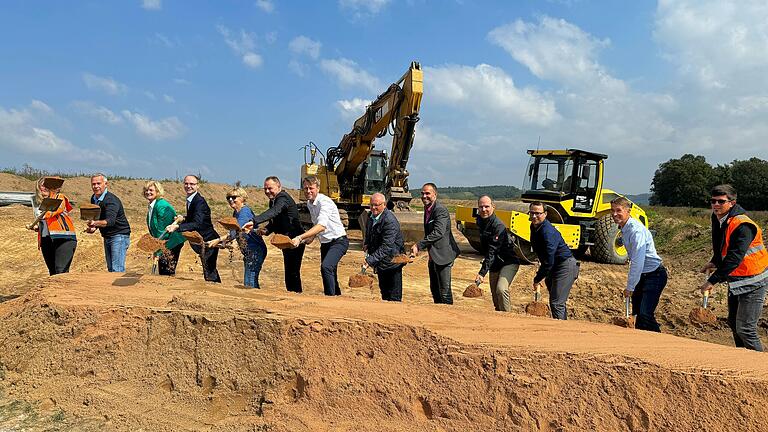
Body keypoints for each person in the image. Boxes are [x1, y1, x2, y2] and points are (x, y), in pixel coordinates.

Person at [700, 184, 768, 351]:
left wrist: (712, 281)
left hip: (754, 280)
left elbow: (734, 258)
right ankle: (742, 361)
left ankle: (760, 368)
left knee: (746, 329)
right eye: (713, 201)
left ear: (732, 202)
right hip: (737, 279)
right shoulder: (718, 218)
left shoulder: (743, 225)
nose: (716, 205)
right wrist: (715, 261)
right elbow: (720, 245)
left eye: (721, 201)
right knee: (733, 323)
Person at [610, 196, 667, 332]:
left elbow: (637, 261)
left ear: (628, 211)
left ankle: (661, 342)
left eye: (618, 210)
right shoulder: (624, 228)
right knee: (638, 315)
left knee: (645, 314)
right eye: (612, 211)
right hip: (643, 275)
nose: (614, 214)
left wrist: (630, 287)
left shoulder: (636, 231)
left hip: (654, 274)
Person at [242, 176, 305, 293]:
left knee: (293, 271)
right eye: (265, 189)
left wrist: (254, 221)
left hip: (295, 239)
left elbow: (275, 211)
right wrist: (266, 230)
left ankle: (297, 296)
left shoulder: (283, 198)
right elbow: (275, 221)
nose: (267, 191)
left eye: (270, 188)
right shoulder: (273, 200)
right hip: (285, 240)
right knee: (289, 271)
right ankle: (293, 295)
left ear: (279, 186)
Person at [291, 176, 348, 296]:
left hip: (339, 241)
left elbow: (322, 225)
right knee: (330, 272)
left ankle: (329, 299)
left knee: (326, 267)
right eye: (305, 188)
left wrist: (300, 237)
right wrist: (311, 237)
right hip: (326, 243)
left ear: (317, 188)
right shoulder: (310, 203)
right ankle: (337, 297)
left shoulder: (324, 202)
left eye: (311, 188)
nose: (308, 191)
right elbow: (316, 223)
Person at [410, 183, 461, 304]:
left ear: (435, 194)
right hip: (434, 256)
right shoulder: (428, 209)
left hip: (443, 255)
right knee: (435, 289)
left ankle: (449, 317)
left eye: (427, 193)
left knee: (445, 291)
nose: (424, 196)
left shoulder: (440, 210)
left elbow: (438, 232)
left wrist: (419, 245)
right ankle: (439, 315)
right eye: (422, 193)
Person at [528, 201, 578, 320]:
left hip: (565, 265)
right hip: (554, 266)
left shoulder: (547, 232)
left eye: (538, 213)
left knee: (557, 303)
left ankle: (561, 333)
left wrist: (538, 278)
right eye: (532, 213)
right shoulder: (534, 227)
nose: (534, 216)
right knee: (556, 301)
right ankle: (561, 325)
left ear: (545, 214)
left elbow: (549, 260)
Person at [166, 175, 221, 283]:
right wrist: (183, 219)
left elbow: (198, 223)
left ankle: (216, 293)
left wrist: (177, 227)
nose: (188, 186)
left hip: (209, 240)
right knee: (208, 269)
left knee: (209, 270)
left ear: (197, 186)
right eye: (186, 183)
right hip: (201, 241)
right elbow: (194, 219)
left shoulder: (199, 201)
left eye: (192, 184)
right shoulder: (191, 200)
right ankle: (213, 290)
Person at [209, 187, 267, 288]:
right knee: (249, 281)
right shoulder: (236, 213)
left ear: (242, 198)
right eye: (228, 197)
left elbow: (237, 230)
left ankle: (256, 301)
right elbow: (233, 233)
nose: (230, 199)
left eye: (234, 197)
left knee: (250, 282)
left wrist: (218, 240)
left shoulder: (244, 212)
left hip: (255, 251)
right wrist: (224, 243)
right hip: (249, 251)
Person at [473, 195, 521, 312]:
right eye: (481, 207)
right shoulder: (480, 221)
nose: (484, 209)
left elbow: (492, 250)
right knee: (495, 297)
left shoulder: (498, 226)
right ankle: (499, 320)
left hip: (508, 261)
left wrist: (482, 272)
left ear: (493, 207)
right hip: (495, 264)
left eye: (487, 206)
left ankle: (508, 318)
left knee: (501, 289)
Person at [363, 193, 406, 301]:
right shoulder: (371, 216)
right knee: (385, 295)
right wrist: (367, 243)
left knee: (394, 297)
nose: (373, 208)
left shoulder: (389, 221)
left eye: (376, 205)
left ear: (384, 205)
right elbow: (369, 231)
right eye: (371, 205)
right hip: (381, 262)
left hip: (392, 262)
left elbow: (386, 246)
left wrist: (370, 260)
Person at [86, 173, 131, 272]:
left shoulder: (111, 200)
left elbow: (110, 221)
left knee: (117, 269)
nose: (96, 186)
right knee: (111, 269)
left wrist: (95, 223)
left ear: (106, 184)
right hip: (108, 236)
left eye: (99, 183)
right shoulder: (94, 199)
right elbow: (99, 217)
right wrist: (94, 227)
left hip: (119, 235)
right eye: (93, 184)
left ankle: (119, 287)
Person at [31, 177, 77, 275]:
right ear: (38, 187)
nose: (45, 187)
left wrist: (42, 216)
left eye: (47, 185)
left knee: (61, 271)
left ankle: (64, 290)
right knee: (52, 272)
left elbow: (54, 211)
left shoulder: (59, 197)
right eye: (42, 185)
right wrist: (38, 227)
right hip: (46, 240)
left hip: (64, 238)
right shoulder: (36, 202)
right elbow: (44, 222)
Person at [143, 181, 185, 276]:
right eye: (146, 190)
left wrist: (158, 249)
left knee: (166, 273)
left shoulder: (161, 205)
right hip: (163, 242)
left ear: (157, 192)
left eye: (151, 190)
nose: (148, 192)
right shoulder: (153, 205)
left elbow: (163, 230)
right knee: (163, 271)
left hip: (171, 242)